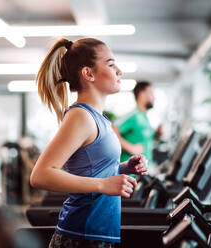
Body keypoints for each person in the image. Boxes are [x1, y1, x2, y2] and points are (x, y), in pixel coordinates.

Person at [30, 38, 148, 248]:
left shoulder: (98, 118)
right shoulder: (81, 117)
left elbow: (92, 171)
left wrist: (124, 168)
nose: (119, 70)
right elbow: (41, 175)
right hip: (80, 236)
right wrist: (104, 184)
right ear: (88, 73)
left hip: (96, 234)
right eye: (111, 64)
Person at [114, 81, 163, 169]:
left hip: (144, 170)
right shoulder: (133, 116)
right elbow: (112, 130)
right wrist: (130, 148)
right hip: (130, 173)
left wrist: (157, 134)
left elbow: (145, 140)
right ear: (141, 94)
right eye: (151, 93)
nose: (154, 97)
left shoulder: (145, 117)